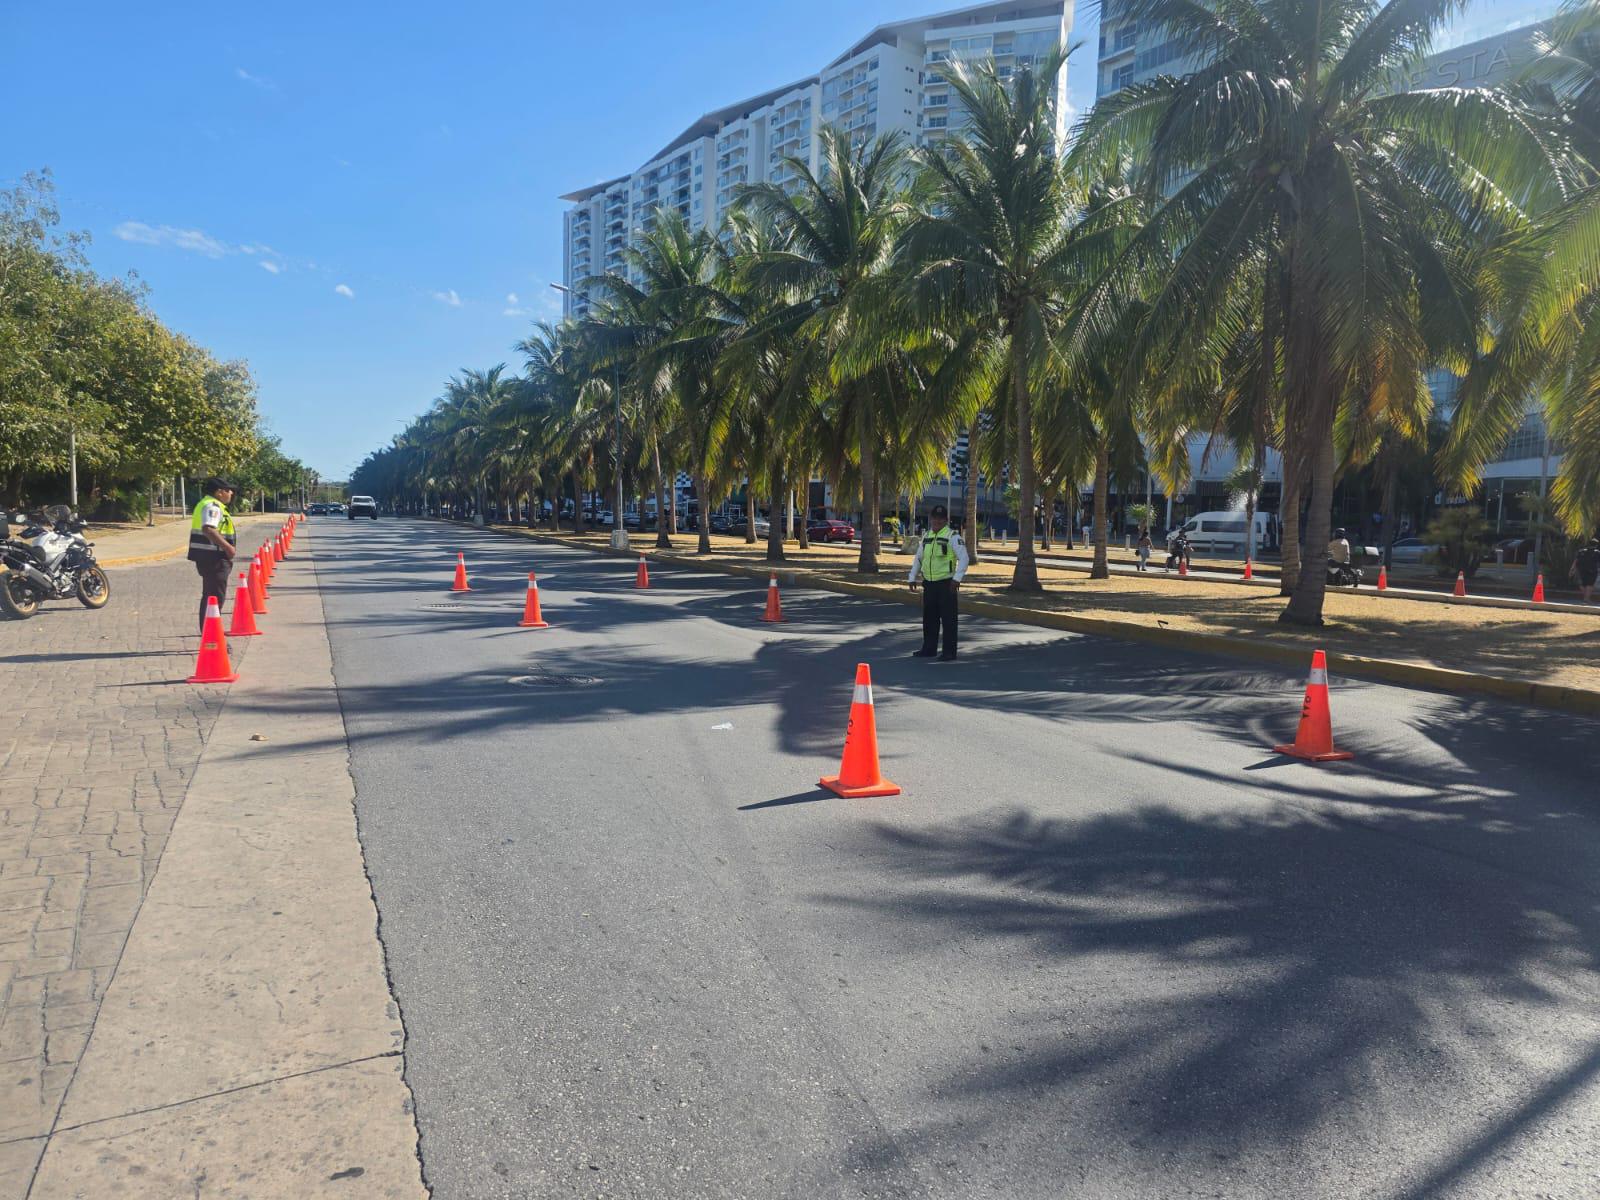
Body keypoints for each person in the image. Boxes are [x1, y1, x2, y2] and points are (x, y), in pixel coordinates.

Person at [908, 503, 968, 661]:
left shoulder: (953, 536)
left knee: (949, 620)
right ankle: (929, 649)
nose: (937, 521)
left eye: (940, 519)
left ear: (946, 520)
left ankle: (949, 652)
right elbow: (919, 558)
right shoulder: (927, 536)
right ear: (930, 519)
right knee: (929, 619)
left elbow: (964, 558)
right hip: (929, 583)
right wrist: (912, 577)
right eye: (935, 518)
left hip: (946, 584)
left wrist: (957, 579)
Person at [187, 477, 238, 632]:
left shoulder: (208, 504)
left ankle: (210, 632)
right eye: (228, 490)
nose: (231, 493)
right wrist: (228, 548)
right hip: (214, 557)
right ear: (219, 492)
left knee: (211, 596)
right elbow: (208, 529)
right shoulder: (213, 506)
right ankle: (211, 635)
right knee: (215, 598)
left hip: (209, 556)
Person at [1573, 538, 1600, 603]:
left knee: (1583, 584)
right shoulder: (1597, 552)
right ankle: (1586, 599)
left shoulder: (1581, 551)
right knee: (1590, 584)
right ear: (1596, 545)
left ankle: (1585, 598)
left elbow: (1576, 560)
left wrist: (1572, 569)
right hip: (1592, 570)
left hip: (1582, 570)